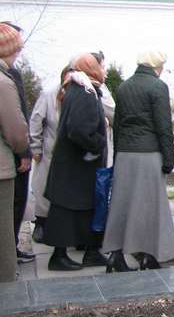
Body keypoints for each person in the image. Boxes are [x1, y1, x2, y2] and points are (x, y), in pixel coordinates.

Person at [103, 51, 174, 271]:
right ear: (157, 66)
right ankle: (148, 256)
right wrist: (168, 158)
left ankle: (115, 256)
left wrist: (117, 155)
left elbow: (118, 124)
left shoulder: (124, 87)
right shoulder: (158, 87)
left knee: (121, 205)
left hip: (125, 153)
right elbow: (163, 126)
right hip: (148, 153)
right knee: (150, 206)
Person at [43, 53, 109, 271]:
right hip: (77, 165)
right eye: (102, 66)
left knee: (82, 208)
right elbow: (78, 130)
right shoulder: (84, 92)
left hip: (74, 165)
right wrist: (98, 143)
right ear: (92, 68)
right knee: (65, 211)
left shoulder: (78, 88)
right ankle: (59, 256)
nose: (105, 69)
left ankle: (90, 252)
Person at [0, 22, 35, 265]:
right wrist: (24, 150)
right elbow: (14, 124)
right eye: (17, 48)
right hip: (4, 162)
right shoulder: (4, 80)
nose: (19, 53)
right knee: (5, 220)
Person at [29, 66, 72, 244]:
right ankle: (41, 222)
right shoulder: (48, 95)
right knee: (43, 186)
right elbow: (36, 121)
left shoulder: (80, 95)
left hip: (70, 153)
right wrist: (36, 147)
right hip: (50, 150)